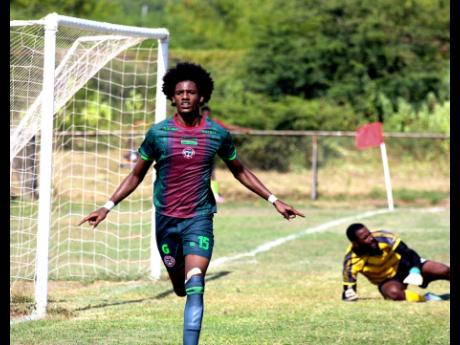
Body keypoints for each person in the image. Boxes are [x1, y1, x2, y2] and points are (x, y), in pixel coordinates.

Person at [78, 62, 305, 345]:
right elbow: (136, 175)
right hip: (166, 221)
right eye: (180, 92)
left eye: (191, 92)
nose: (185, 96)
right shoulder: (158, 134)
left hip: (199, 218)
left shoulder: (217, 134)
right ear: (172, 97)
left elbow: (240, 171)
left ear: (202, 97)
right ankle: (177, 278)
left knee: (195, 282)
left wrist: (274, 200)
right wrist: (107, 206)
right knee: (180, 284)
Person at [342, 223, 450, 302]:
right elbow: (348, 291)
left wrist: (415, 271)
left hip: (404, 266)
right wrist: (349, 294)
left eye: (369, 234)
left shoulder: (383, 237)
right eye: (365, 238)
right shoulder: (351, 260)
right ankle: (428, 298)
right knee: (394, 293)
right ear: (356, 243)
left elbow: (409, 253)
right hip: (387, 280)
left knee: (443, 270)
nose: (371, 238)